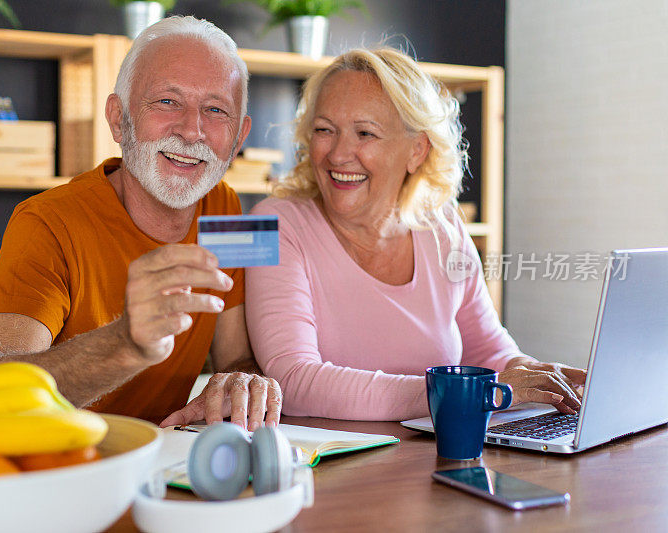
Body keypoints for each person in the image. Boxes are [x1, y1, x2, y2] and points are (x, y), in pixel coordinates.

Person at [0, 16, 281, 431]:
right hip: (58, 470)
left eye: (216, 110)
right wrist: (125, 342)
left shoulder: (225, 206)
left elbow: (236, 356)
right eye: (167, 101)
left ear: (238, 138)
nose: (191, 131)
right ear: (118, 118)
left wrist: (241, 380)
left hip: (164, 467)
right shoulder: (47, 221)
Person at [245, 47, 585, 421]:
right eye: (325, 130)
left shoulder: (444, 228)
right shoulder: (272, 225)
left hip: (437, 457)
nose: (338, 153)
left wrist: (536, 377)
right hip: (328, 471)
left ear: (416, 150)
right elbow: (290, 382)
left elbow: (488, 349)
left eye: (365, 133)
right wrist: (462, 393)